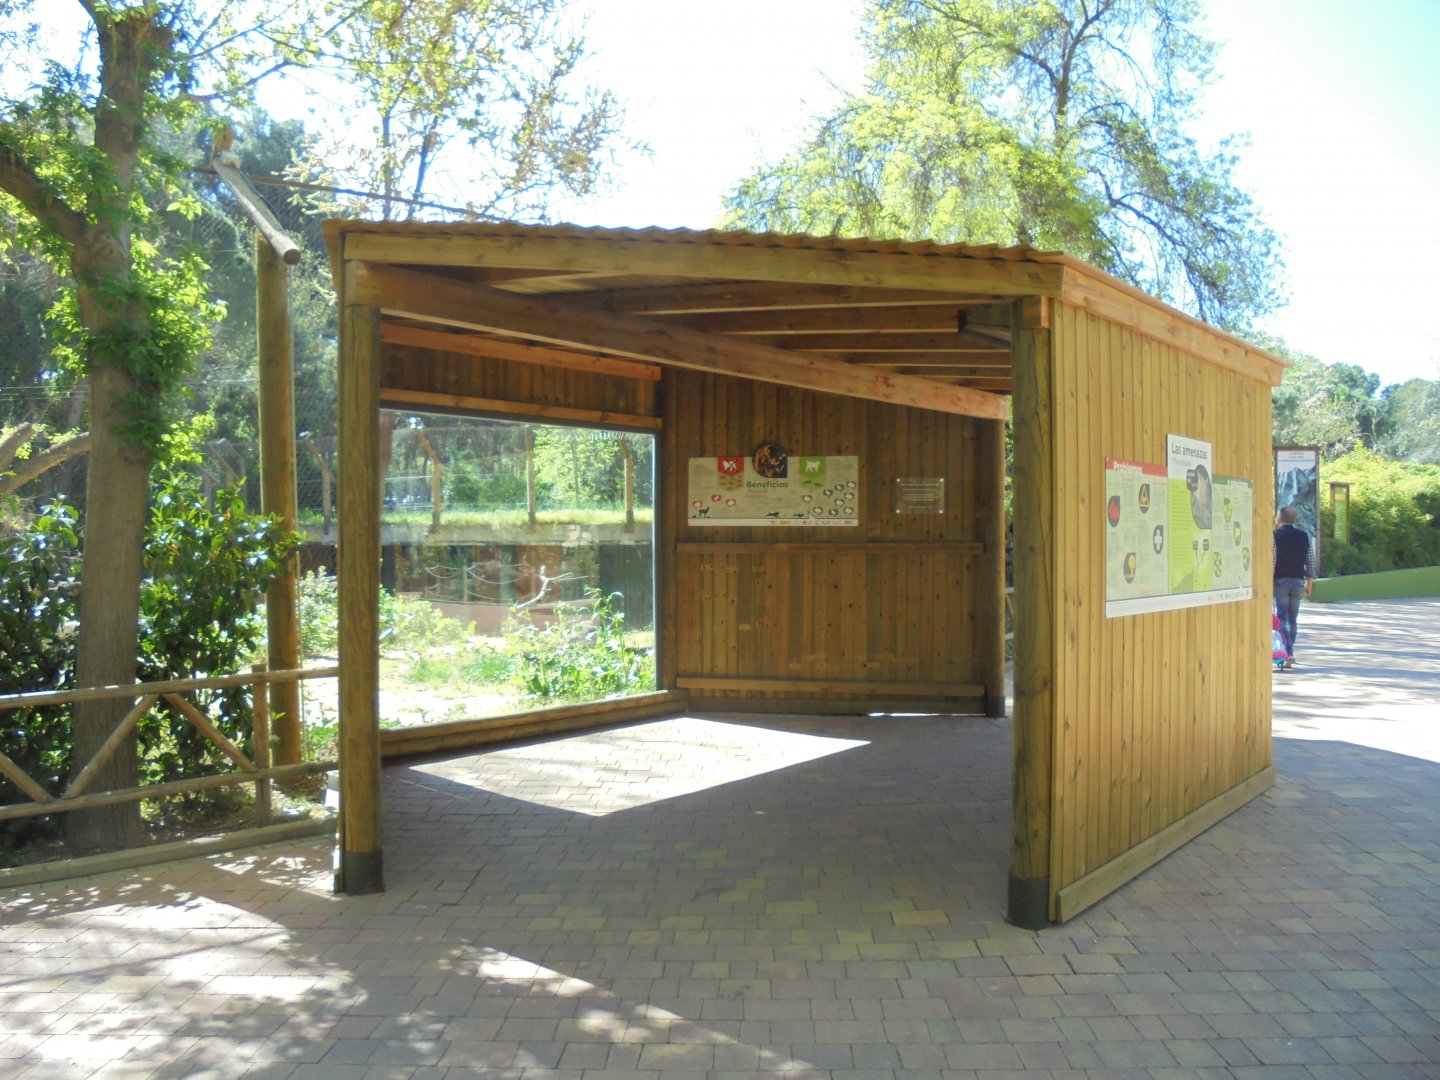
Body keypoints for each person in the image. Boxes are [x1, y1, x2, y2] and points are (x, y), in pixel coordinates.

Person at [1272, 504, 1316, 666]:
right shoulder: (1304, 536)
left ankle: (1287, 652)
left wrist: (1269, 581)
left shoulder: (1274, 536)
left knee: (1282, 617)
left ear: (1279, 518)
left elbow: (1273, 560)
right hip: (1298, 582)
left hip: (1280, 581)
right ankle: (1290, 651)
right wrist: (1309, 583)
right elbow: (1310, 561)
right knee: (1293, 618)